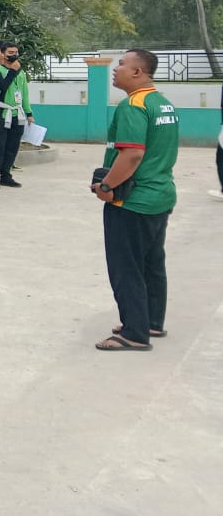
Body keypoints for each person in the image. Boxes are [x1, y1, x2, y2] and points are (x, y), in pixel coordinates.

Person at [91, 49, 178, 351]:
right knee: (152, 263)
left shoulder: (133, 105)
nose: (116, 69)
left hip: (132, 201)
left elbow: (132, 154)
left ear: (138, 72)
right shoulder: (162, 103)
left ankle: (134, 333)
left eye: (122, 64)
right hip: (159, 196)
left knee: (126, 267)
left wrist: (106, 185)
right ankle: (151, 321)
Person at [0, 42, 31, 189]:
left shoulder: (21, 73)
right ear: (3, 54)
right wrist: (12, 71)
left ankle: (6, 176)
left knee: (12, 148)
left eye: (16, 52)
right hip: (1, 114)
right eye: (10, 53)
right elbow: (3, 86)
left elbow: (24, 94)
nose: (14, 55)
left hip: (17, 115)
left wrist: (29, 113)